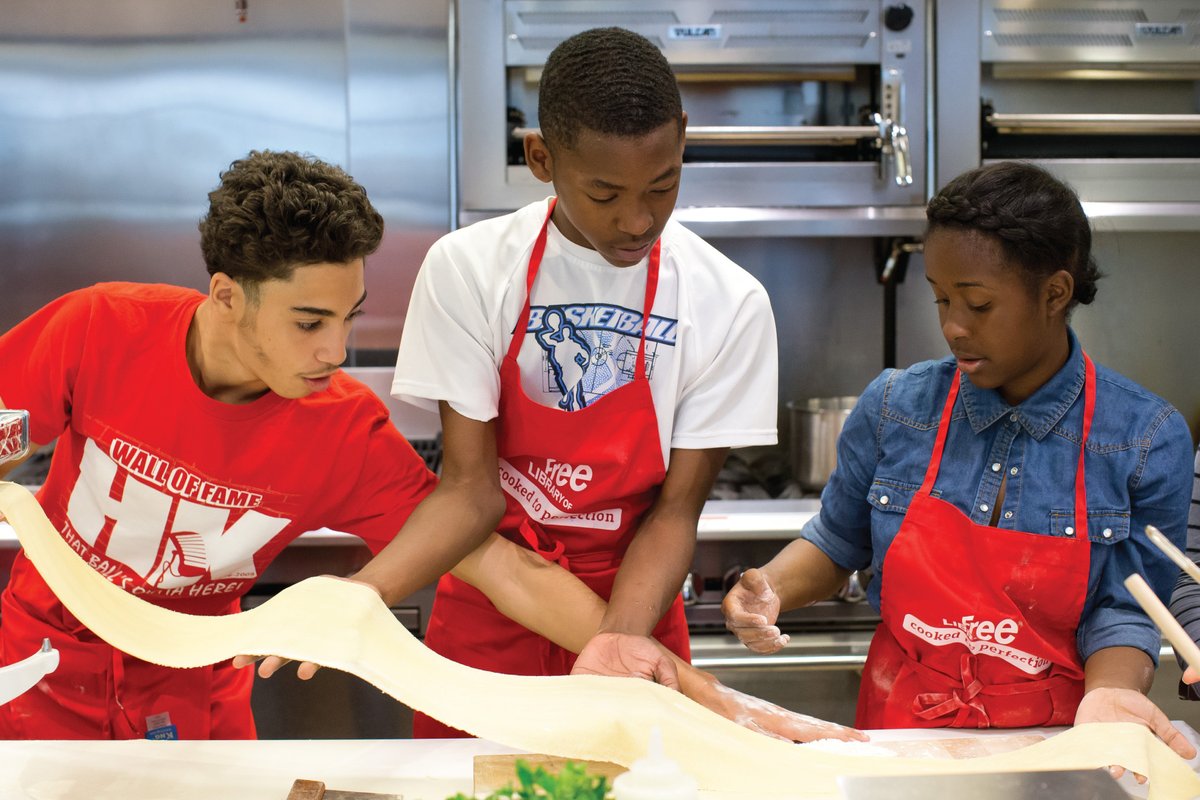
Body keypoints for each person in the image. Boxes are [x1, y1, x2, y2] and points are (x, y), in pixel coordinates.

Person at [0, 149, 855, 744]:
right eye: (309, 322)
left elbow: (503, 566)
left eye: (349, 315)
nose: (337, 352)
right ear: (227, 295)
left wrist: (694, 687)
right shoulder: (99, 330)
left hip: (194, 695)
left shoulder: (339, 429)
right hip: (30, 670)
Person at [722, 161, 1197, 763]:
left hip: (1059, 745)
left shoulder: (1143, 438)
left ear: (1055, 293)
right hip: (901, 738)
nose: (952, 326)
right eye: (942, 298)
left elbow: (1125, 610)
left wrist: (1110, 699)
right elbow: (837, 543)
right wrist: (771, 589)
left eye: (977, 304)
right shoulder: (896, 406)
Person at [390, 26, 779, 738]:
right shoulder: (468, 270)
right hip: (487, 619)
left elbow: (675, 513)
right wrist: (362, 594)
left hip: (635, 609)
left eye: (662, 186)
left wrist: (616, 644)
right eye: (604, 193)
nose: (638, 220)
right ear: (541, 158)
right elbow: (469, 490)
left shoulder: (730, 300)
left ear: (683, 138)